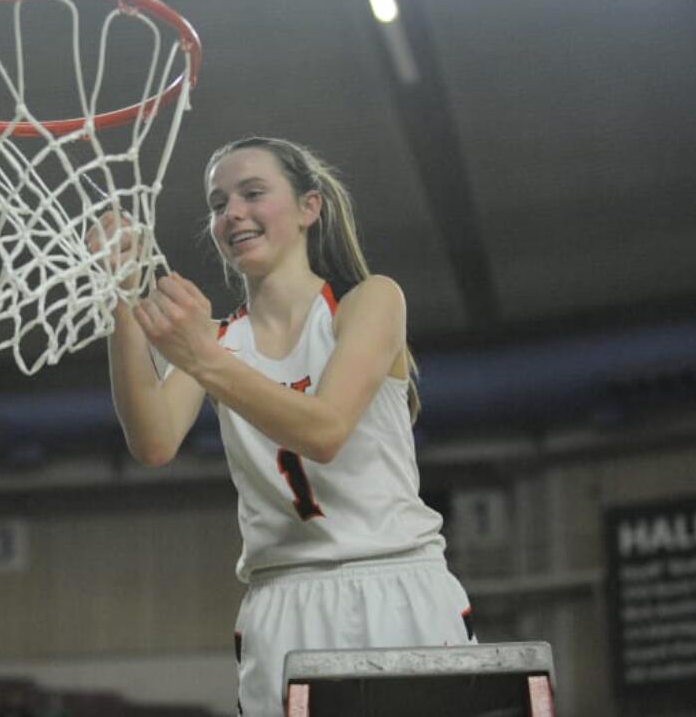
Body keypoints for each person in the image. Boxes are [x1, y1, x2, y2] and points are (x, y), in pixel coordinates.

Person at [94, 136, 475, 716]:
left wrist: (201, 357)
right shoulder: (221, 340)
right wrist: (118, 298)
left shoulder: (370, 301)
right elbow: (152, 441)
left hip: (396, 581)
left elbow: (325, 431)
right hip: (282, 598)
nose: (232, 213)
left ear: (308, 207)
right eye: (219, 203)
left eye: (252, 193)